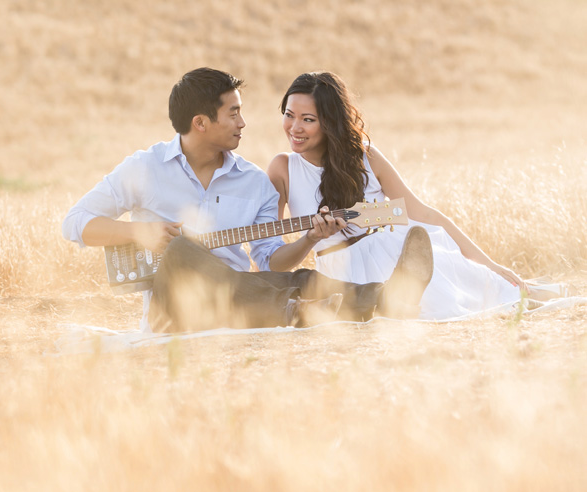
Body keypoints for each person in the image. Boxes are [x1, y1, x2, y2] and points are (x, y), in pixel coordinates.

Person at [62, 67, 433, 333]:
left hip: (238, 305)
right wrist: (141, 232)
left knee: (302, 278)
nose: (243, 123)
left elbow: (271, 260)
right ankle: (293, 311)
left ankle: (388, 298)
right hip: (175, 310)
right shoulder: (144, 168)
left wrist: (310, 239)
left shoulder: (255, 183)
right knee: (180, 252)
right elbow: (76, 223)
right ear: (201, 123)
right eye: (233, 113)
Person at [267, 71, 556, 320]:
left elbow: (421, 213)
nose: (295, 128)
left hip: (396, 254)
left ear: (330, 122)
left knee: (486, 300)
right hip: (340, 275)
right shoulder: (283, 168)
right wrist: (310, 238)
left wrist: (489, 264)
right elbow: (275, 262)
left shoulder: (364, 156)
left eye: (308, 119)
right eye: (289, 115)